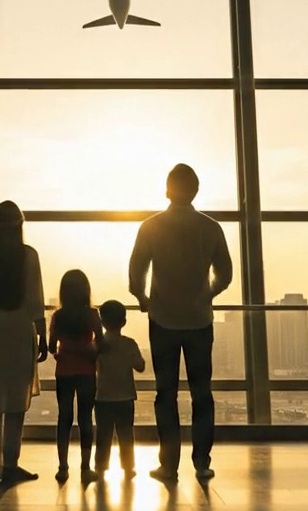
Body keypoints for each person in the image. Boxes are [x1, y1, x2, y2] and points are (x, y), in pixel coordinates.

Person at [129, 163, 232, 482]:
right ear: (197, 190)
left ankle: (168, 465)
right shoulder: (211, 227)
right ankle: (202, 462)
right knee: (202, 393)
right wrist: (207, 293)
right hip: (200, 321)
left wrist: (144, 299)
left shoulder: (150, 226)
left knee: (165, 394)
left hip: (163, 320)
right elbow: (225, 274)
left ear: (167, 190)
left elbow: (136, 273)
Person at [0, 200, 47, 485]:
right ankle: (12, 463)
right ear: (19, 225)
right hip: (18, 326)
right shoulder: (28, 256)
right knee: (16, 400)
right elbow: (35, 299)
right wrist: (42, 336)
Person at [48, 269, 103, 485]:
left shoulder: (58, 317)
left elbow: (53, 347)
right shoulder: (91, 315)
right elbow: (101, 342)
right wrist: (86, 350)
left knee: (64, 418)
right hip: (87, 372)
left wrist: (65, 350)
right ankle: (85, 467)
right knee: (85, 419)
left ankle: (63, 467)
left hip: (64, 372)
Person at [93, 299, 145, 480]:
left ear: (102, 322)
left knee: (103, 434)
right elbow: (140, 366)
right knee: (126, 434)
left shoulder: (98, 345)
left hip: (102, 396)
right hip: (126, 396)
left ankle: (100, 466)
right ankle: (128, 467)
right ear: (123, 321)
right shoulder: (129, 344)